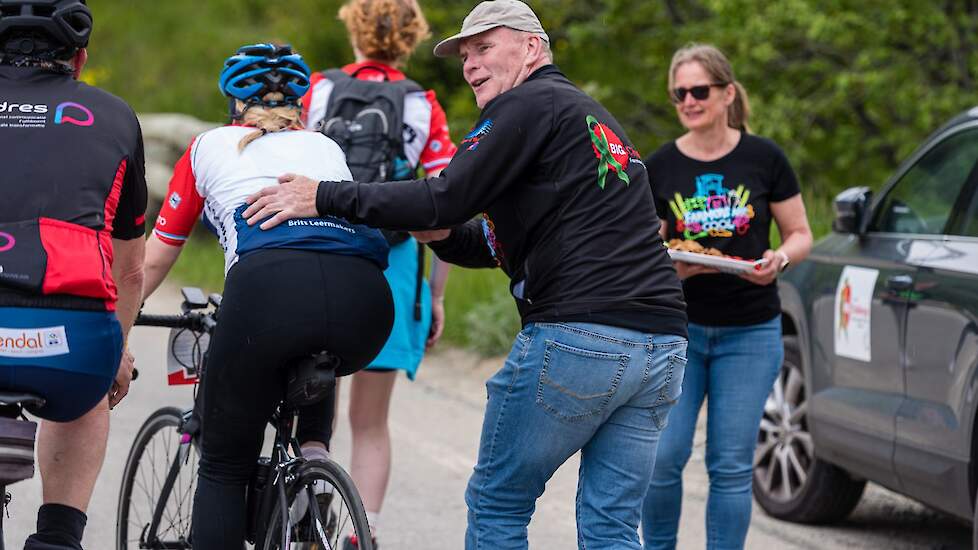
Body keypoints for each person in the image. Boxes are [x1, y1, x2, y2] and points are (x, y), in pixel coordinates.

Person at [243, 1, 689, 548]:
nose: (470, 65)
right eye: (464, 55)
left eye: (484, 48)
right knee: (612, 523)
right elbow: (495, 241)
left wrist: (323, 196)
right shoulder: (588, 117)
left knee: (498, 503)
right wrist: (445, 235)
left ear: (532, 47)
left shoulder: (526, 103)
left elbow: (447, 195)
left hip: (582, 335)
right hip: (662, 345)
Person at [139, 43, 394, 550]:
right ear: (300, 105)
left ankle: (293, 488)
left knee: (225, 463)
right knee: (320, 350)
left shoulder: (206, 146)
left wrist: (120, 316)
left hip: (268, 292)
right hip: (365, 300)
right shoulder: (327, 148)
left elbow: (155, 258)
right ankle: (314, 467)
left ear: (235, 104)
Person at [639, 44, 814, 550]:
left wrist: (779, 259)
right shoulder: (661, 166)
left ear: (727, 93)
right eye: (680, 94)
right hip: (680, 331)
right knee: (665, 456)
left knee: (731, 465)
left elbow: (800, 233)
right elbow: (648, 250)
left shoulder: (764, 158)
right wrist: (676, 267)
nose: (689, 101)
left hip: (751, 331)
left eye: (700, 91)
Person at [299, 1, 456, 546]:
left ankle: (302, 507)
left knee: (310, 407)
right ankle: (360, 534)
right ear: (412, 36)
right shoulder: (422, 105)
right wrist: (434, 298)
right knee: (371, 424)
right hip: (390, 271)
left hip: (314, 260)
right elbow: (444, 204)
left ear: (353, 27)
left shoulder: (314, 89)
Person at [0, 1, 144, 548]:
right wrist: (118, 353)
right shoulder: (113, 115)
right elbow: (128, 271)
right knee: (87, 392)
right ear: (79, 59)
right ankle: (59, 537)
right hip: (69, 346)